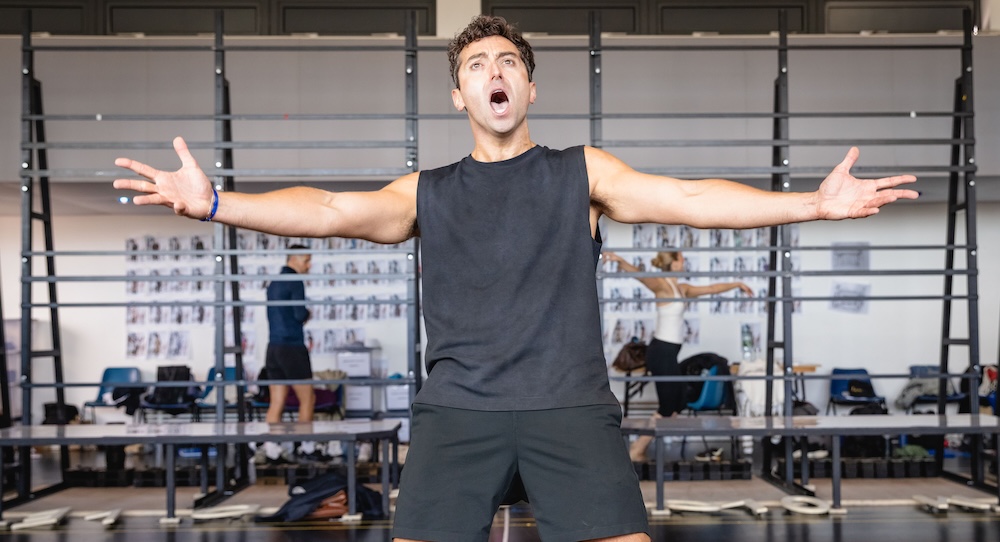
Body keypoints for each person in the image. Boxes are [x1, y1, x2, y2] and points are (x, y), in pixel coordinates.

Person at [113, 14, 917, 542]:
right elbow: (326, 209)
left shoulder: (580, 172)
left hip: (570, 409)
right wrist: (217, 202)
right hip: (458, 413)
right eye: (476, 63)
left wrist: (813, 203)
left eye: (508, 62)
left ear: (528, 88)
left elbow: (690, 197)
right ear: (459, 92)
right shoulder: (424, 191)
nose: (493, 71)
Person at [603, 251, 753, 461]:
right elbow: (640, 275)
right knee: (668, 406)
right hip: (661, 352)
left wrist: (737, 284)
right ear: (673, 263)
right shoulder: (663, 286)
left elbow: (711, 289)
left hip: (670, 353)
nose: (684, 262)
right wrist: (620, 261)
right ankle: (637, 449)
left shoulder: (681, 289)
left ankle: (640, 447)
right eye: (681, 259)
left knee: (678, 402)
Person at [260, 244, 317, 463]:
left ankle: (272, 450)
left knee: (277, 401)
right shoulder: (294, 281)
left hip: (273, 347)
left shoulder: (273, 283)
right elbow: (299, 313)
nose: (309, 265)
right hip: (292, 347)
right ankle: (306, 448)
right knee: (308, 398)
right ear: (294, 260)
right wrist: (308, 313)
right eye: (306, 260)